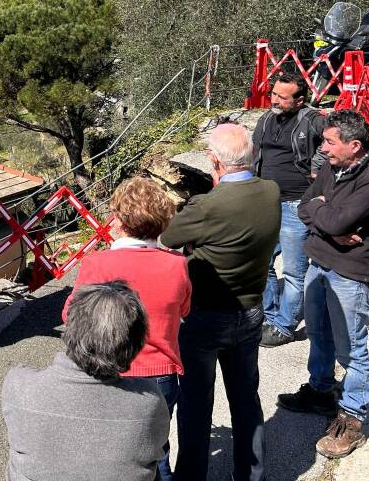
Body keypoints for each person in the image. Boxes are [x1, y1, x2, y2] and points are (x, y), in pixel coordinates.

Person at [278, 110, 369, 460]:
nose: (323, 148)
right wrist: (327, 220)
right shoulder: (335, 166)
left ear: (355, 145)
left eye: (330, 142)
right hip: (320, 263)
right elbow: (306, 206)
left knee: (352, 350)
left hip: (352, 273)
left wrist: (326, 217)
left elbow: (337, 220)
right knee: (318, 334)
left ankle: (352, 419)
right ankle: (320, 391)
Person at [159, 122, 280, 481]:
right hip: (251, 310)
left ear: (213, 160)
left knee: (196, 403)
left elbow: (169, 237)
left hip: (205, 316)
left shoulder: (206, 206)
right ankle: (251, 474)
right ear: (252, 155)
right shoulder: (271, 191)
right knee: (245, 399)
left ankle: (191, 476)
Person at [62, 177, 191, 481]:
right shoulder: (177, 264)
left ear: (119, 220)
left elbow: (70, 315)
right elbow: (184, 309)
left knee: (109, 448)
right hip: (161, 373)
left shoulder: (97, 264)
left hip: (109, 370)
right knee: (156, 448)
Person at [2, 281, 169, 481]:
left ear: (70, 326)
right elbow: (155, 449)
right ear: (134, 345)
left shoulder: (19, 385)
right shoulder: (150, 400)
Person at [253, 71, 326, 347]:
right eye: (273, 94)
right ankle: (268, 316)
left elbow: (335, 141)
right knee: (262, 263)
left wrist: (316, 168)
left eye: (282, 97)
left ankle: (284, 326)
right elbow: (254, 153)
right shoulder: (266, 119)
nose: (274, 100)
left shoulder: (313, 120)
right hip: (266, 203)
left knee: (294, 272)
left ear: (299, 100)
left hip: (296, 204)